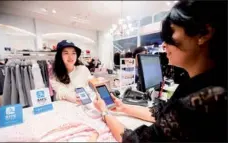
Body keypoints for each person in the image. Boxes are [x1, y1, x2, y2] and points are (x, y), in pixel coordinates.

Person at [94, 0, 227, 142]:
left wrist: (104, 112)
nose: (164, 45)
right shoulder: (197, 84)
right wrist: (123, 107)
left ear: (203, 34)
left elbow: (135, 140)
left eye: (170, 36)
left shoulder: (207, 98)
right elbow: (163, 113)